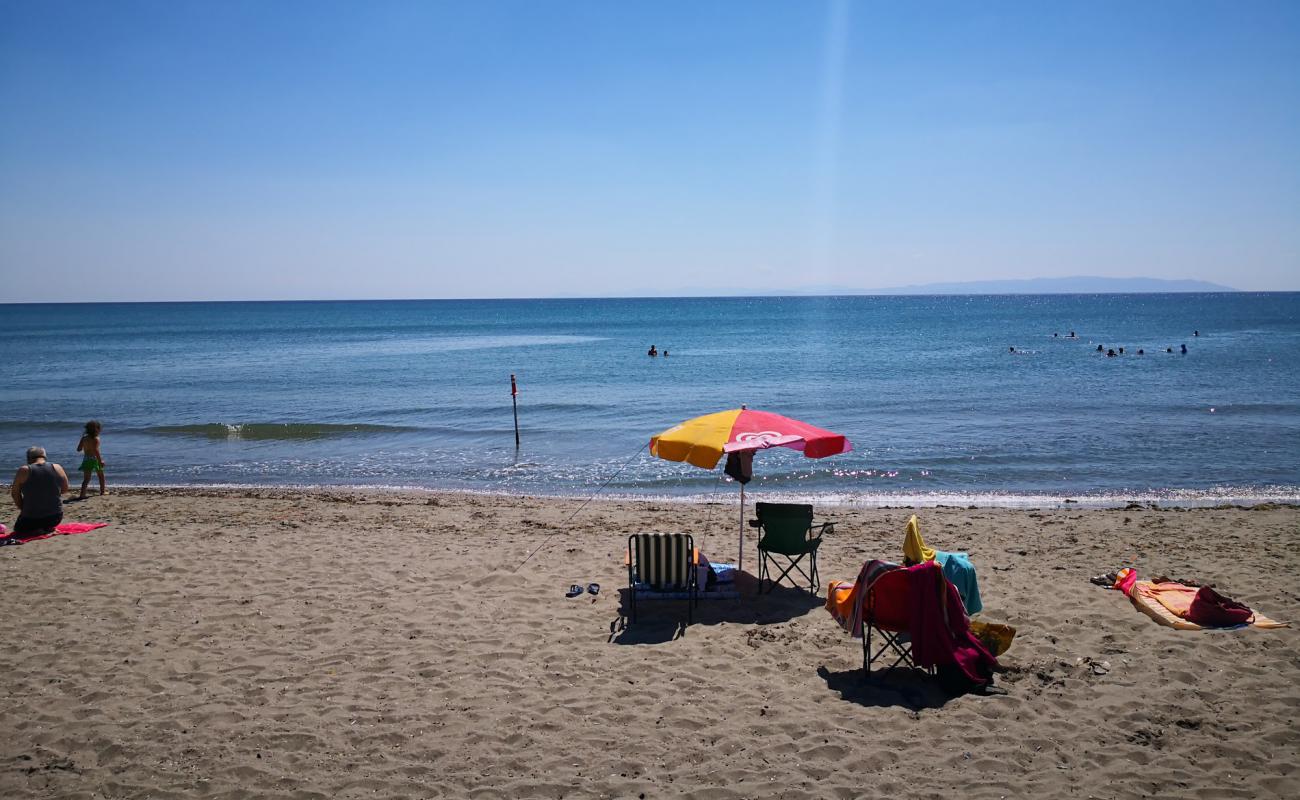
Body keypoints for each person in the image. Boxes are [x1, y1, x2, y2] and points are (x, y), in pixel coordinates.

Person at [10, 446, 68, 536]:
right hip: (55, 517)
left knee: (18, 528)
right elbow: (64, 489)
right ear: (44, 457)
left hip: (32, 518)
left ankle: (36, 530)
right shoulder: (57, 467)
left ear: (28, 458)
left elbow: (15, 494)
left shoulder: (24, 470)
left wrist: (23, 508)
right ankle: (47, 528)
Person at [77, 420, 107, 498]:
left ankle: (82, 494)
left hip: (86, 459)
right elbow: (96, 451)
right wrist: (100, 461)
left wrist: (86, 447)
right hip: (94, 459)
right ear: (97, 429)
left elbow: (79, 449)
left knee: (86, 479)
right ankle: (102, 492)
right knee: (101, 476)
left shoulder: (84, 438)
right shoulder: (96, 439)